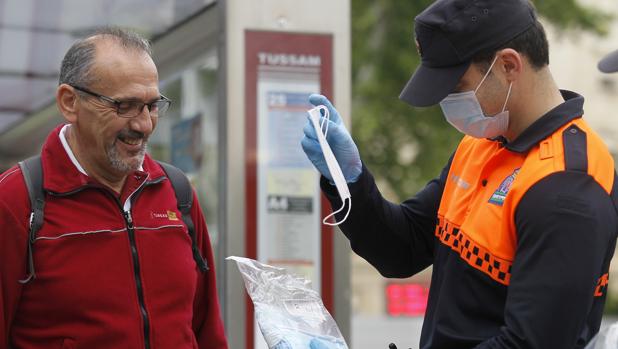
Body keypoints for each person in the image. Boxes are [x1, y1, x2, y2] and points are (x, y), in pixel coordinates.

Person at [302, 0, 618, 348]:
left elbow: (528, 343)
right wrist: (347, 179)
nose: (448, 103)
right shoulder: (483, 144)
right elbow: (404, 247)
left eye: (457, 87)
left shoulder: (567, 185)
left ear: (509, 65)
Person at [0, 28, 228, 348]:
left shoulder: (177, 193)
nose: (144, 124)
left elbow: (208, 331)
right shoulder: (16, 201)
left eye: (151, 106)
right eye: (125, 106)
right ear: (70, 102)